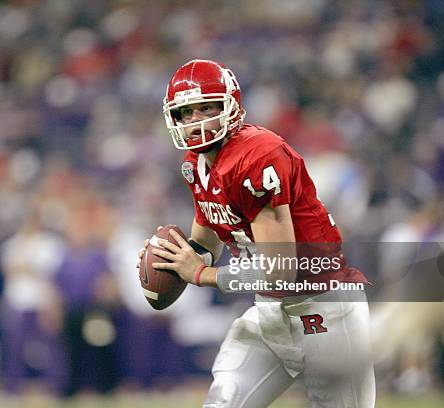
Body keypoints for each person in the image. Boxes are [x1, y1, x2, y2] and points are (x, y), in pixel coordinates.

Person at [138, 59, 375, 407]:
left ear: (231, 106)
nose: (195, 122)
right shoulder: (196, 163)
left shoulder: (257, 155)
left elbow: (280, 270)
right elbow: (205, 243)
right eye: (186, 113)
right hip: (269, 315)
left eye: (206, 108)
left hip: (324, 309)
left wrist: (202, 274)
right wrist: (173, 258)